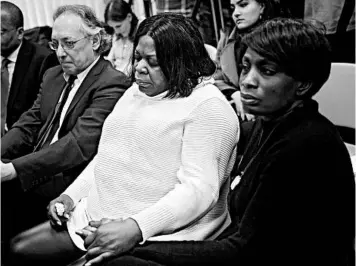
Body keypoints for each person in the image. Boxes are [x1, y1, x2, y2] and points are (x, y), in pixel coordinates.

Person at [94, 18, 355, 266]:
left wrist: (137, 240)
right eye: (245, 66)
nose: (247, 82)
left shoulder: (306, 145)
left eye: (266, 71)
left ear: (303, 84)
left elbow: (244, 252)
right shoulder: (265, 127)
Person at [8, 13, 239, 266]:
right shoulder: (135, 92)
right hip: (96, 216)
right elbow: (107, 155)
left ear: (180, 62)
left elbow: (198, 191)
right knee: (17, 248)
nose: (139, 68)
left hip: (159, 232)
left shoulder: (208, 107)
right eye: (138, 57)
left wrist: (135, 227)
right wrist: (71, 196)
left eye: (152, 62)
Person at [1, 4, 131, 262]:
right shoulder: (53, 76)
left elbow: (78, 145)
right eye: (55, 44)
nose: (60, 53)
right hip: (39, 170)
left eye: (69, 43)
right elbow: (29, 124)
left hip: (71, 180)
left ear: (95, 41)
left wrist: (14, 169)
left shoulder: (112, 82)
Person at [214, 0, 290, 119]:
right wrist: (234, 93)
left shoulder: (284, 37)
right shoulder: (227, 38)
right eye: (232, 8)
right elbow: (215, 77)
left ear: (262, 6)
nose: (236, 13)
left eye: (243, 5)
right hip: (237, 113)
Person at [0, 1, 57, 136]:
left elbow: (43, 115)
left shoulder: (44, 60)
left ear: (20, 33)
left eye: (0, 32)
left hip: (23, 140)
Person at [104, 0, 139, 75]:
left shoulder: (142, 34)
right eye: (113, 27)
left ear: (129, 17)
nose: (116, 32)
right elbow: (110, 59)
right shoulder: (117, 36)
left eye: (118, 26)